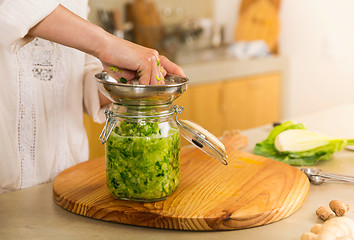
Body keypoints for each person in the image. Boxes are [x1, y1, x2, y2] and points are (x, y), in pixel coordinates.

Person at [0, 0, 185, 193]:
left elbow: (73, 72)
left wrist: (125, 83)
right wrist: (108, 44)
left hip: (69, 184)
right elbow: (12, 11)